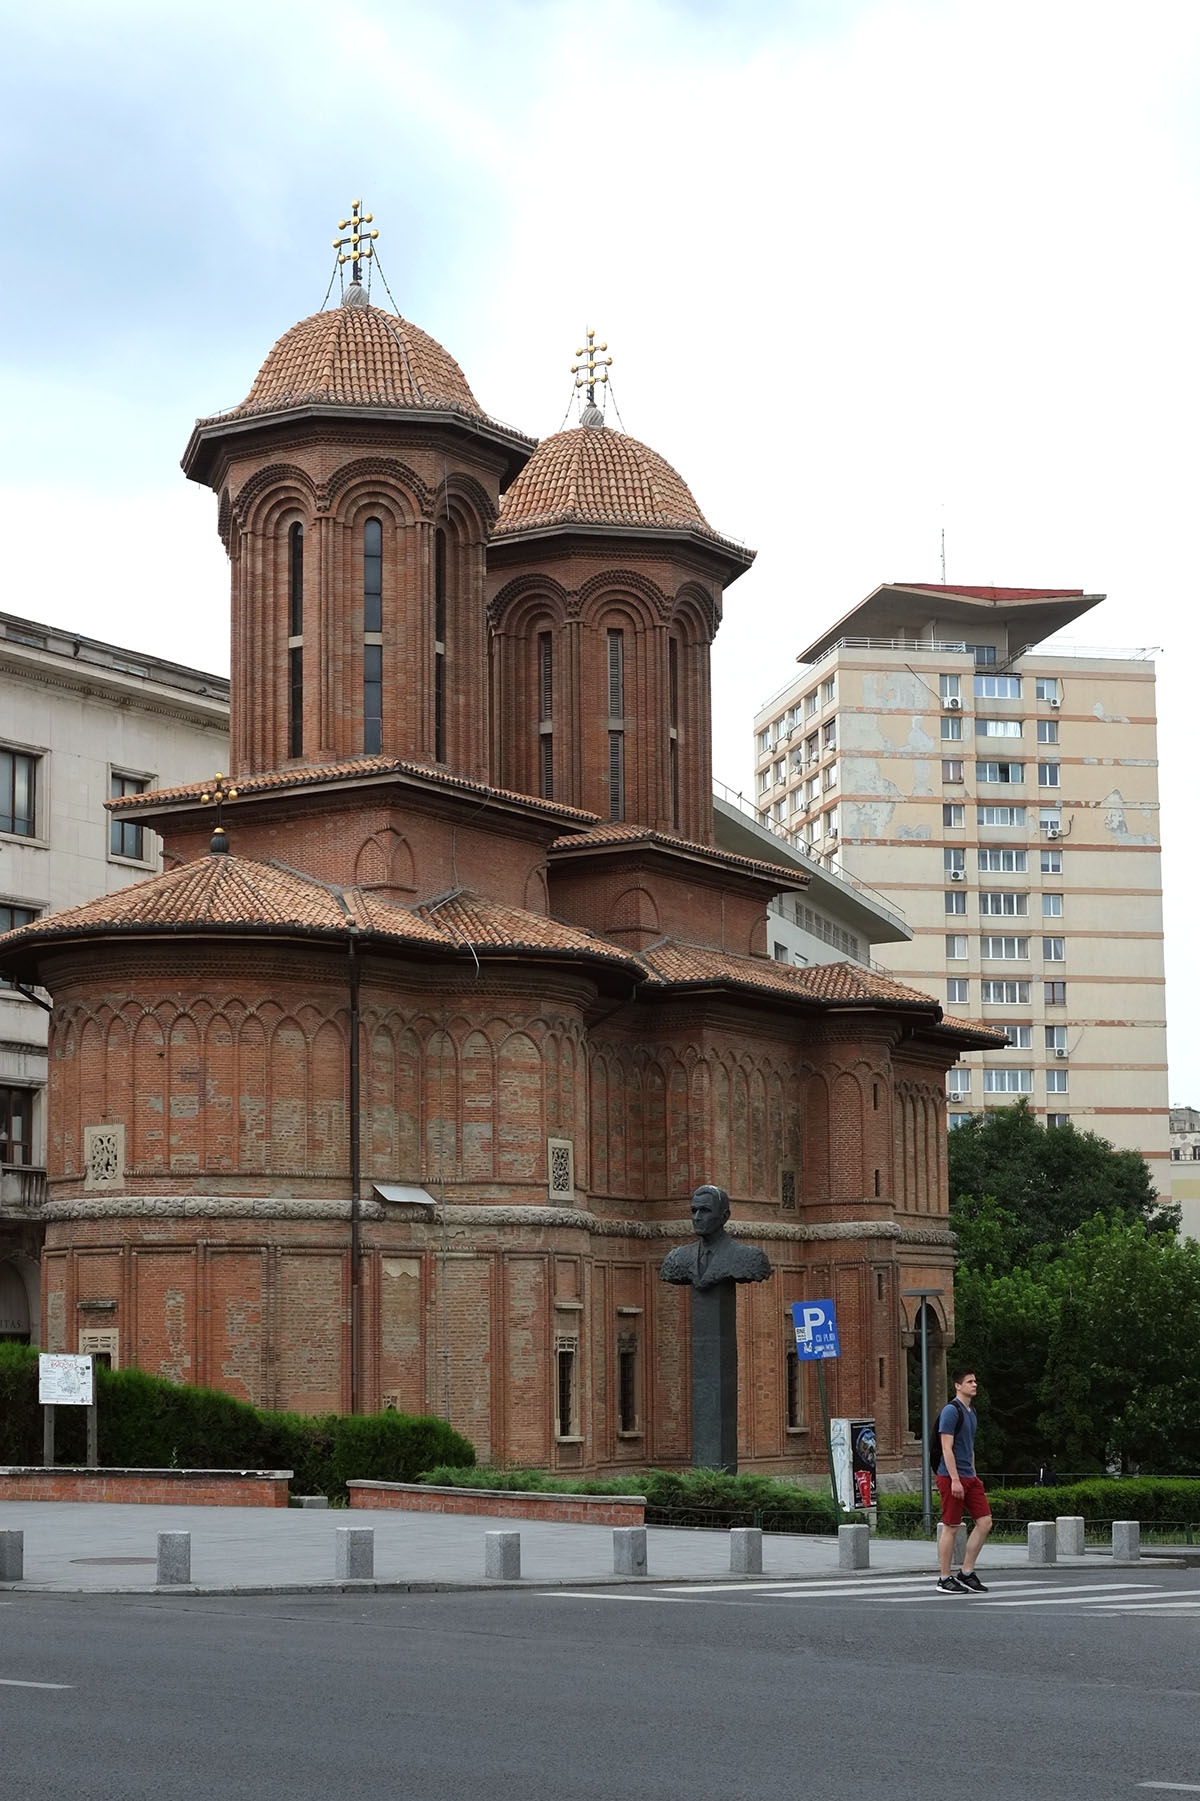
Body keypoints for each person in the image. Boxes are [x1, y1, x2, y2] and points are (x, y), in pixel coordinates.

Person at [935, 1366, 992, 1595]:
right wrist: (955, 1480)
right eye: (969, 1381)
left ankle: (966, 1572)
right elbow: (946, 1448)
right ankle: (943, 1577)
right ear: (958, 1386)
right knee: (951, 1527)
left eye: (975, 1380)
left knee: (985, 1522)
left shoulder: (971, 1412)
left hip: (969, 1476)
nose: (974, 1384)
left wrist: (973, 1475)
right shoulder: (951, 1411)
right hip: (951, 1477)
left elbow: (969, 1448)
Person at [659, 1185, 771, 1289]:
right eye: (694, 1211)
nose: (697, 1217)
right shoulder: (677, 1258)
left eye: (705, 1210)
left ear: (724, 1216)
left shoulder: (750, 1257)